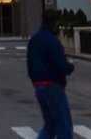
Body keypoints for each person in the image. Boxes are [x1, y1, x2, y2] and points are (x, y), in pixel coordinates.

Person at [26, 8, 75, 139]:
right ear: (53, 23)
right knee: (64, 125)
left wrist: (35, 81)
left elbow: (30, 65)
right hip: (53, 85)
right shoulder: (52, 41)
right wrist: (70, 67)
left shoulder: (34, 40)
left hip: (39, 86)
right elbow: (60, 64)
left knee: (50, 124)